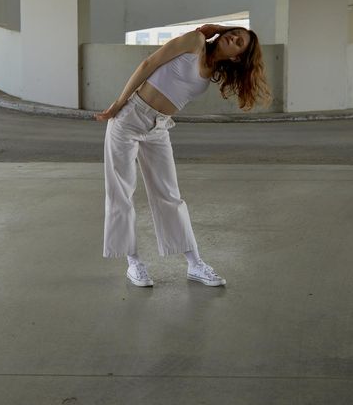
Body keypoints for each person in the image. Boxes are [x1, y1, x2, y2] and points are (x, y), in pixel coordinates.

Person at [95, 24, 271, 287]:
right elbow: (148, 64)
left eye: (239, 42)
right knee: (121, 191)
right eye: (234, 33)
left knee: (169, 194)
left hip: (159, 126)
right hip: (129, 117)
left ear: (237, 58)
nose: (233, 38)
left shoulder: (212, 71)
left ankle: (195, 264)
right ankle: (134, 263)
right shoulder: (195, 41)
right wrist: (119, 103)